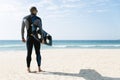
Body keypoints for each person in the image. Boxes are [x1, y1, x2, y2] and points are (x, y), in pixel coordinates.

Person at [21, 6, 44, 73]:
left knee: (29, 53)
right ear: (34, 11)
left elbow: (22, 29)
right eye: (36, 10)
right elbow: (40, 30)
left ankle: (28, 69)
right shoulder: (38, 19)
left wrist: (22, 37)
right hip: (36, 38)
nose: (37, 11)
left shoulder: (24, 18)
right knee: (38, 53)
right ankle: (39, 68)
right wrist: (42, 39)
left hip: (29, 38)